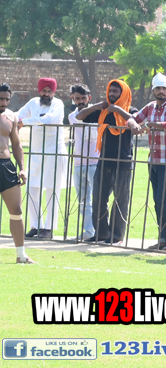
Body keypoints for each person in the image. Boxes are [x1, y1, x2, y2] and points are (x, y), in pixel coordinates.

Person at [75, 80, 142, 245]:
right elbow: (79, 116)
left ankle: (116, 235)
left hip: (123, 162)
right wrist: (96, 106)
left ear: (123, 93)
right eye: (110, 91)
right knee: (98, 198)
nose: (111, 94)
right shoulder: (103, 112)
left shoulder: (130, 110)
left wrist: (118, 109)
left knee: (120, 200)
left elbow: (134, 121)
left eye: (115, 91)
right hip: (104, 161)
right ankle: (101, 233)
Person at [134, 73, 166, 252]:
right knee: (157, 201)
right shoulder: (150, 107)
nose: (161, 91)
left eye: (164, 88)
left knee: (165, 201)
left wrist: (149, 125)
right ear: (153, 90)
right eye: (158, 88)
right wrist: (133, 124)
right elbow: (134, 118)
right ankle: (164, 239)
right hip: (153, 159)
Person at [17, 77, 66, 239]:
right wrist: (9, 118)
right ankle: (36, 226)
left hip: (54, 152)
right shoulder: (33, 103)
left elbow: (48, 120)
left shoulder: (58, 104)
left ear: (54, 92)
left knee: (52, 189)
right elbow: (18, 115)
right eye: (44, 91)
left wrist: (24, 122)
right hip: (36, 152)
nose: (46, 94)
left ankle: (48, 229)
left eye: (49, 91)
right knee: (32, 188)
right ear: (39, 91)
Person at [0, 84, 34, 263]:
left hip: (6, 166)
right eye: (1, 99)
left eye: (7, 99)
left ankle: (21, 255)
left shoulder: (11, 116)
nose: (4, 102)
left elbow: (16, 144)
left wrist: (22, 168)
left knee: (16, 210)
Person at [66, 85, 99, 242]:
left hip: (95, 161)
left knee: (99, 198)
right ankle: (88, 231)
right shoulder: (72, 116)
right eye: (77, 98)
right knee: (83, 200)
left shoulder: (98, 114)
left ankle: (100, 231)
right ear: (73, 98)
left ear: (89, 98)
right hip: (79, 162)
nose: (80, 101)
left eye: (83, 98)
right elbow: (80, 119)